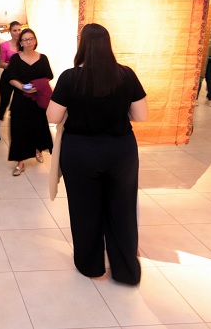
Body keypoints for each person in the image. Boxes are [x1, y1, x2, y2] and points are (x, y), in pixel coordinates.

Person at [46, 23, 148, 285]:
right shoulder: (126, 75)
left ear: (83, 45)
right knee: (122, 210)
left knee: (84, 210)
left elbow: (52, 116)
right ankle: (126, 270)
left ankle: (90, 265)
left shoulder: (70, 78)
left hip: (81, 152)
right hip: (121, 151)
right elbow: (141, 115)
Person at [5, 28, 53, 176]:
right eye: (25, 39)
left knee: (38, 127)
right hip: (21, 99)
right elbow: (11, 78)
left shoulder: (42, 58)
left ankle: (37, 149)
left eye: (31, 38)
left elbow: (48, 76)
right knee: (19, 130)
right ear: (20, 42)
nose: (29, 42)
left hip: (38, 99)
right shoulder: (15, 59)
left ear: (35, 40)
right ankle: (20, 162)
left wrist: (36, 86)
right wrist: (23, 87)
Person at [0, 21, 22, 120]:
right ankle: (0, 118)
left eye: (19, 30)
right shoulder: (4, 45)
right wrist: (14, 66)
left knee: (19, 100)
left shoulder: (24, 45)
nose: (17, 32)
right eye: (14, 30)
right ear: (10, 32)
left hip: (21, 77)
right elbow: (1, 63)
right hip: (8, 76)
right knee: (5, 100)